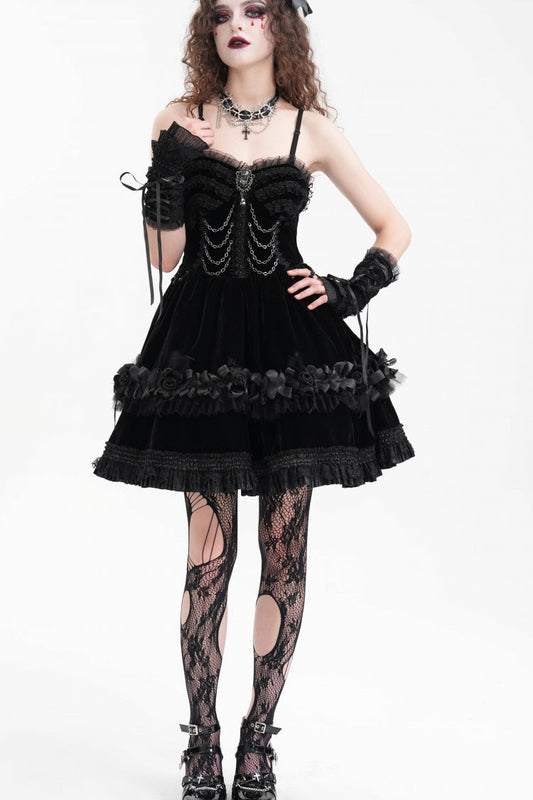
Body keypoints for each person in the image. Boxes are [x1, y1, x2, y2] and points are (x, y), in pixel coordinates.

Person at [92, 0, 415, 797]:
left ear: (281, 28)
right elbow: (164, 257)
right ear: (208, 30)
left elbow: (393, 226)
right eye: (223, 12)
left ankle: (257, 744)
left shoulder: (310, 130)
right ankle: (201, 743)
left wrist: (348, 290)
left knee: (284, 554)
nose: (237, 22)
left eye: (256, 10)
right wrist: (170, 164)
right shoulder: (180, 117)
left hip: (290, 352)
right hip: (201, 349)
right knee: (208, 558)